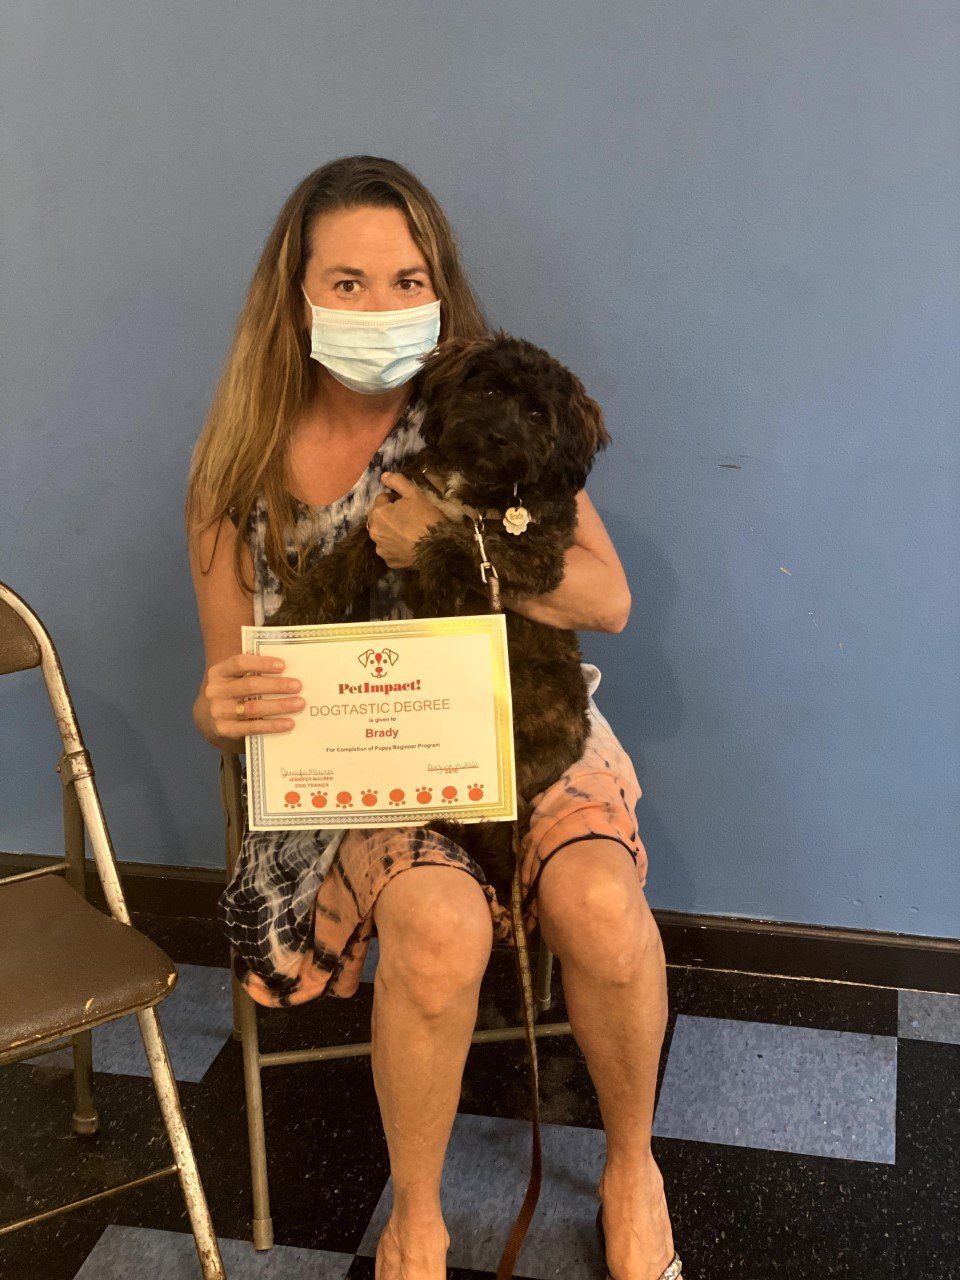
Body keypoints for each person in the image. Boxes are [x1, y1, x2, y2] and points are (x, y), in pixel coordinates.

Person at [186, 156, 678, 1280]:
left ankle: (633, 1164)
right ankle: (416, 1212)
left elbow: (606, 597)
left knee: (603, 906)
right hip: (372, 759)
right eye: (348, 282)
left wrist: (447, 546)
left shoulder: (488, 412)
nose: (383, 307)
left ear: (442, 287)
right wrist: (220, 705)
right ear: (295, 293)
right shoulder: (237, 474)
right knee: (444, 925)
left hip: (532, 722)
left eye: (409, 279)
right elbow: (234, 700)